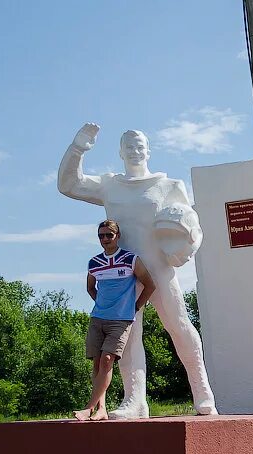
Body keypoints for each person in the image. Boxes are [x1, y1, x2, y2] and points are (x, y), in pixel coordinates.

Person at [58, 123, 217, 417]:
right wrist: (79, 146)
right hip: (123, 274)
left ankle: (203, 391)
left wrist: (188, 247)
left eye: (140, 146)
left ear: (149, 150)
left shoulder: (169, 186)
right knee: (129, 336)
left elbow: (192, 228)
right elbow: (69, 184)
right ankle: (135, 400)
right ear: (120, 152)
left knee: (179, 326)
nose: (135, 151)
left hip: (159, 268)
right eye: (129, 147)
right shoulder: (110, 185)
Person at [74, 220, 156, 421]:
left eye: (108, 235)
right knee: (96, 364)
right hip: (98, 318)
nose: (105, 239)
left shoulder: (130, 259)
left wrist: (134, 307)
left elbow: (150, 285)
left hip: (121, 320)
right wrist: (102, 304)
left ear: (117, 236)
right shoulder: (94, 263)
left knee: (107, 360)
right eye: (101, 236)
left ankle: (88, 407)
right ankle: (101, 409)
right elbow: (90, 287)